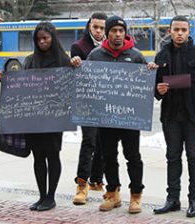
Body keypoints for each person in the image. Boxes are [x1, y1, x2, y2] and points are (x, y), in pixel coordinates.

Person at [152, 15, 195, 217]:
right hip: (171, 116)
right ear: (170, 31)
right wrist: (159, 91)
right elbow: (154, 88)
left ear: (189, 31)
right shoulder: (162, 56)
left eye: (183, 29)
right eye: (176, 29)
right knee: (172, 158)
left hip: (194, 117)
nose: (179, 33)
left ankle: (194, 201)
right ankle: (172, 199)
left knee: (193, 158)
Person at [87, 15, 147, 213]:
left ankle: (136, 195)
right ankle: (113, 193)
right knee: (108, 156)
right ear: (108, 32)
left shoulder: (136, 56)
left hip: (129, 118)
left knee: (133, 157)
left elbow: (146, 87)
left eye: (121, 31)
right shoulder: (95, 56)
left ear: (125, 33)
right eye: (114, 30)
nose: (118, 34)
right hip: (105, 117)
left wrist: (151, 73)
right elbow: (86, 84)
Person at [23, 22, 81, 211]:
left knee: (52, 155)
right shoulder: (30, 60)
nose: (42, 42)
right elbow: (21, 85)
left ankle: (51, 196)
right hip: (35, 117)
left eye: (45, 38)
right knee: (38, 156)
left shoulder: (64, 61)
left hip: (55, 117)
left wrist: (75, 66)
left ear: (53, 38)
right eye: (38, 39)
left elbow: (74, 87)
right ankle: (41, 196)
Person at [70, 12, 108, 205]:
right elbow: (75, 73)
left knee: (103, 142)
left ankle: (97, 180)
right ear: (89, 26)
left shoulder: (111, 47)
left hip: (106, 102)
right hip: (86, 102)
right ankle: (82, 183)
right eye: (96, 27)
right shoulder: (79, 46)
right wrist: (75, 63)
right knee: (89, 142)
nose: (99, 31)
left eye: (102, 27)